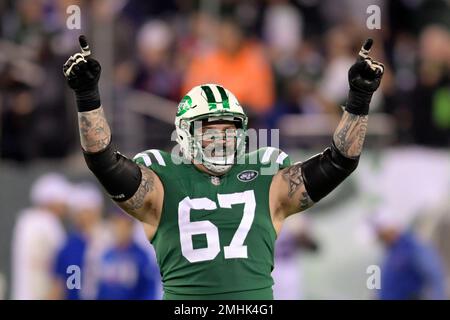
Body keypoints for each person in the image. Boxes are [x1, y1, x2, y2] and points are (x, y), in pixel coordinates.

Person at [63, 35, 383, 299]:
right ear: (186, 133)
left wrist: (358, 100)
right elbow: (103, 161)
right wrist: (88, 97)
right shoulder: (162, 179)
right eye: (210, 129)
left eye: (229, 129)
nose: (222, 138)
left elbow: (340, 161)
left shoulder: (266, 176)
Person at [11, 173, 72, 299]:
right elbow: (63, 264)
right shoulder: (48, 222)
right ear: (51, 201)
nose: (65, 205)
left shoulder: (25, 220)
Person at [50, 182, 109, 300]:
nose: (83, 217)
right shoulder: (68, 246)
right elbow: (59, 286)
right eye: (79, 212)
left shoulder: (112, 239)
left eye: (87, 211)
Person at [372, 211, 446, 300]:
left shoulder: (412, 246)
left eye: (381, 234)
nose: (380, 238)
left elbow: (435, 275)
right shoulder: (390, 253)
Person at [96, 210, 160, 300]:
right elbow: (101, 288)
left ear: (131, 227)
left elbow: (149, 289)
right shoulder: (107, 254)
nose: (120, 229)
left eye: (124, 225)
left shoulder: (141, 256)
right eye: (117, 224)